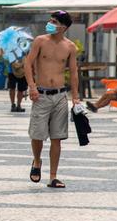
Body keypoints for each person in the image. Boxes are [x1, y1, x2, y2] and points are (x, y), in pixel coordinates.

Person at [26, 10, 80, 188]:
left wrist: (76, 97)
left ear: (63, 27)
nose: (50, 23)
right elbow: (28, 63)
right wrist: (32, 87)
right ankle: (36, 161)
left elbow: (73, 73)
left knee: (57, 137)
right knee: (37, 134)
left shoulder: (70, 47)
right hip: (41, 94)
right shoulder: (40, 41)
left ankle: (53, 176)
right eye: (50, 20)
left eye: (54, 21)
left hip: (60, 95)